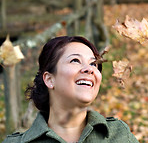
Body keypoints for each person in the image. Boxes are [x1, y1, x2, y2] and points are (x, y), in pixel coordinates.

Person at [3, 36, 139, 143]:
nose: (89, 69)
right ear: (49, 79)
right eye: (75, 60)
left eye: (93, 63)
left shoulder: (119, 134)